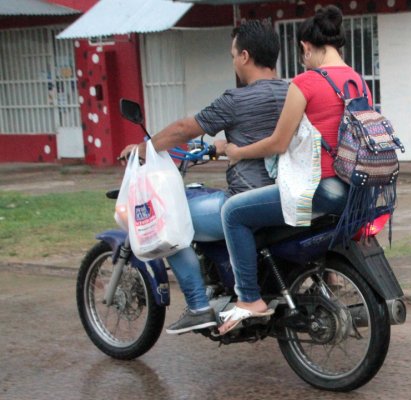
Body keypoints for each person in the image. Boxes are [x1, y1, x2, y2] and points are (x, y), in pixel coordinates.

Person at [119, 20, 288, 335]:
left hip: (245, 199)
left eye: (232, 54)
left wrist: (145, 148)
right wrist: (224, 146)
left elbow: (184, 130)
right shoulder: (293, 92)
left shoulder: (235, 100)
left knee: (167, 216)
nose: (233, 60)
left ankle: (198, 306)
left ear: (245, 57)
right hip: (285, 196)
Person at [219, 5, 372, 335]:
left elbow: (277, 143)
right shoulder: (358, 81)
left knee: (233, 212)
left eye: (301, 54)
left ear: (306, 46)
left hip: (320, 189)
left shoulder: (305, 83)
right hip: (354, 189)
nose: (302, 60)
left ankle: (248, 298)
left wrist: (236, 151)